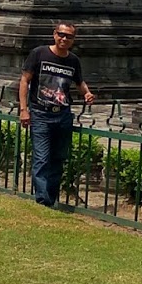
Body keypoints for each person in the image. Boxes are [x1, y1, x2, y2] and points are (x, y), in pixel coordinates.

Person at [17, 23, 95, 208]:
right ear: (54, 34)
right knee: (42, 158)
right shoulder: (39, 53)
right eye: (61, 34)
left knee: (58, 158)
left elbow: (79, 81)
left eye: (69, 36)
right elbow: (24, 80)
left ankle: (50, 198)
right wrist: (23, 109)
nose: (64, 39)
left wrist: (87, 93)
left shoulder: (73, 60)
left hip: (62, 114)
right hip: (40, 112)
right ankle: (43, 200)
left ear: (73, 40)